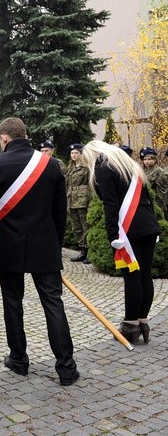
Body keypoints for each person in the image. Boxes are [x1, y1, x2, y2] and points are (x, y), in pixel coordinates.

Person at [0, 117, 79, 386]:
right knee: (53, 303)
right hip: (44, 245)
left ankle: (19, 360)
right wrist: (55, 245)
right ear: (25, 134)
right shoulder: (51, 164)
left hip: (8, 246)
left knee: (12, 303)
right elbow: (61, 211)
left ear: (4, 138)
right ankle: (66, 368)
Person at [82, 141, 160, 344]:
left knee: (132, 277)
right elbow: (148, 198)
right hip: (148, 225)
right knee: (144, 275)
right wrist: (154, 224)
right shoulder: (130, 165)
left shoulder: (102, 166)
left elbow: (110, 203)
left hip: (128, 230)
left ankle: (130, 325)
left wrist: (112, 235)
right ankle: (143, 322)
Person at [66, 143, 92, 263]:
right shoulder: (70, 167)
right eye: (72, 153)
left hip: (83, 199)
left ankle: (89, 252)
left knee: (85, 225)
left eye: (76, 152)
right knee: (76, 227)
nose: (73, 155)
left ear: (81, 154)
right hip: (72, 199)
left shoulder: (86, 167)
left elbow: (91, 184)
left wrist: (90, 200)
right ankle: (82, 250)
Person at [140, 147, 168, 218]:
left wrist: (159, 209)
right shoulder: (144, 172)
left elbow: (162, 193)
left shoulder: (159, 172)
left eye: (149, 159)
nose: (146, 161)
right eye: (144, 159)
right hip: (148, 203)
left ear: (155, 160)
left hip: (157, 205)